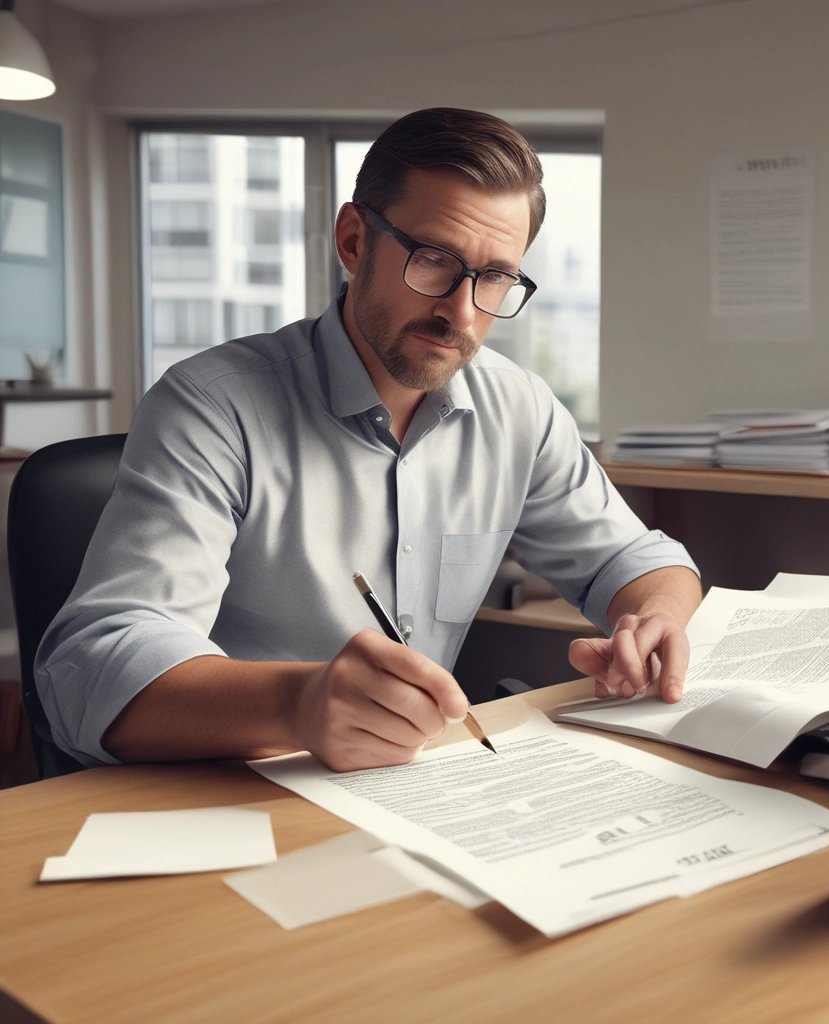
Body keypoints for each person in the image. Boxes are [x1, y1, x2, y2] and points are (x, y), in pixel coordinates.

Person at [36, 107, 702, 772]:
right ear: (354, 241)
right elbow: (89, 672)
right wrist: (300, 703)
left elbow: (642, 562)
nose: (461, 312)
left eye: (496, 276)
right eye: (435, 261)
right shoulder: (213, 406)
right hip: (226, 796)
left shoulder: (518, 409)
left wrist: (656, 619)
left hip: (405, 794)